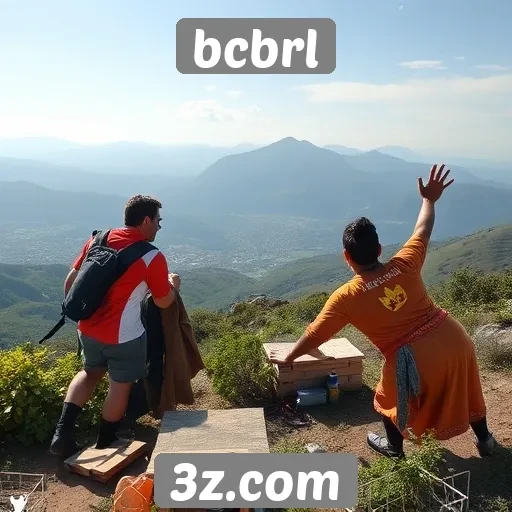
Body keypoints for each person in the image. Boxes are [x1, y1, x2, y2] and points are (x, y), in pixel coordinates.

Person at [270, 164, 495, 458]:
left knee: (387, 398)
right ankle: (485, 440)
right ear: (379, 249)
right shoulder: (405, 263)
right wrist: (429, 200)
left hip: (413, 357)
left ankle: (394, 449)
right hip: (454, 338)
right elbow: (423, 229)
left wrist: (289, 357)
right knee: (467, 387)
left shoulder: (346, 297)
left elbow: (315, 335)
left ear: (346, 257)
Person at [50, 195, 181, 458]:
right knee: (120, 385)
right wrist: (173, 286)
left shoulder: (98, 239)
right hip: (124, 336)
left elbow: (71, 281)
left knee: (89, 373)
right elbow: (163, 302)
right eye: (158, 220)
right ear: (146, 220)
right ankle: (106, 440)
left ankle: (61, 435)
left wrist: (83, 318)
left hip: (87, 329)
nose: (159, 226)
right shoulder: (152, 256)